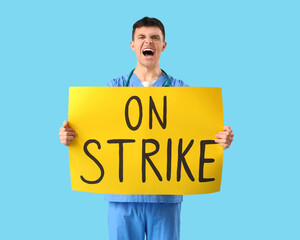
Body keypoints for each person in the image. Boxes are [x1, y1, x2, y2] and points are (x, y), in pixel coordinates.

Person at [59, 17, 234, 240]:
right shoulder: (114, 88)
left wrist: (220, 139)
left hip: (165, 198)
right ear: (132, 45)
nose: (147, 42)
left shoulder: (182, 91)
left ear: (163, 45)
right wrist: (70, 136)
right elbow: (95, 132)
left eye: (154, 37)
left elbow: (200, 136)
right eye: (141, 37)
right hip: (122, 198)